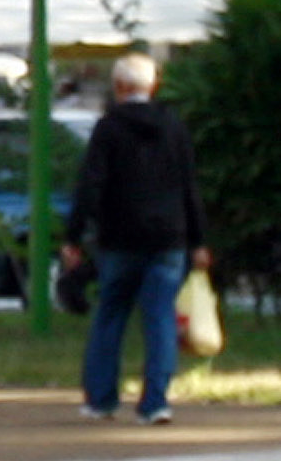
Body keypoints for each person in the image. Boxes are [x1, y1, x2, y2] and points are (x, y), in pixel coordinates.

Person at [64, 51, 208, 424]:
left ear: (119, 86)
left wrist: (74, 235)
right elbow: (189, 186)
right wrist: (199, 240)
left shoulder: (109, 127)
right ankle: (156, 402)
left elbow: (90, 185)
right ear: (153, 85)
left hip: (120, 237)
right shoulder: (174, 127)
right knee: (160, 316)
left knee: (110, 313)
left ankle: (102, 399)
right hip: (169, 239)